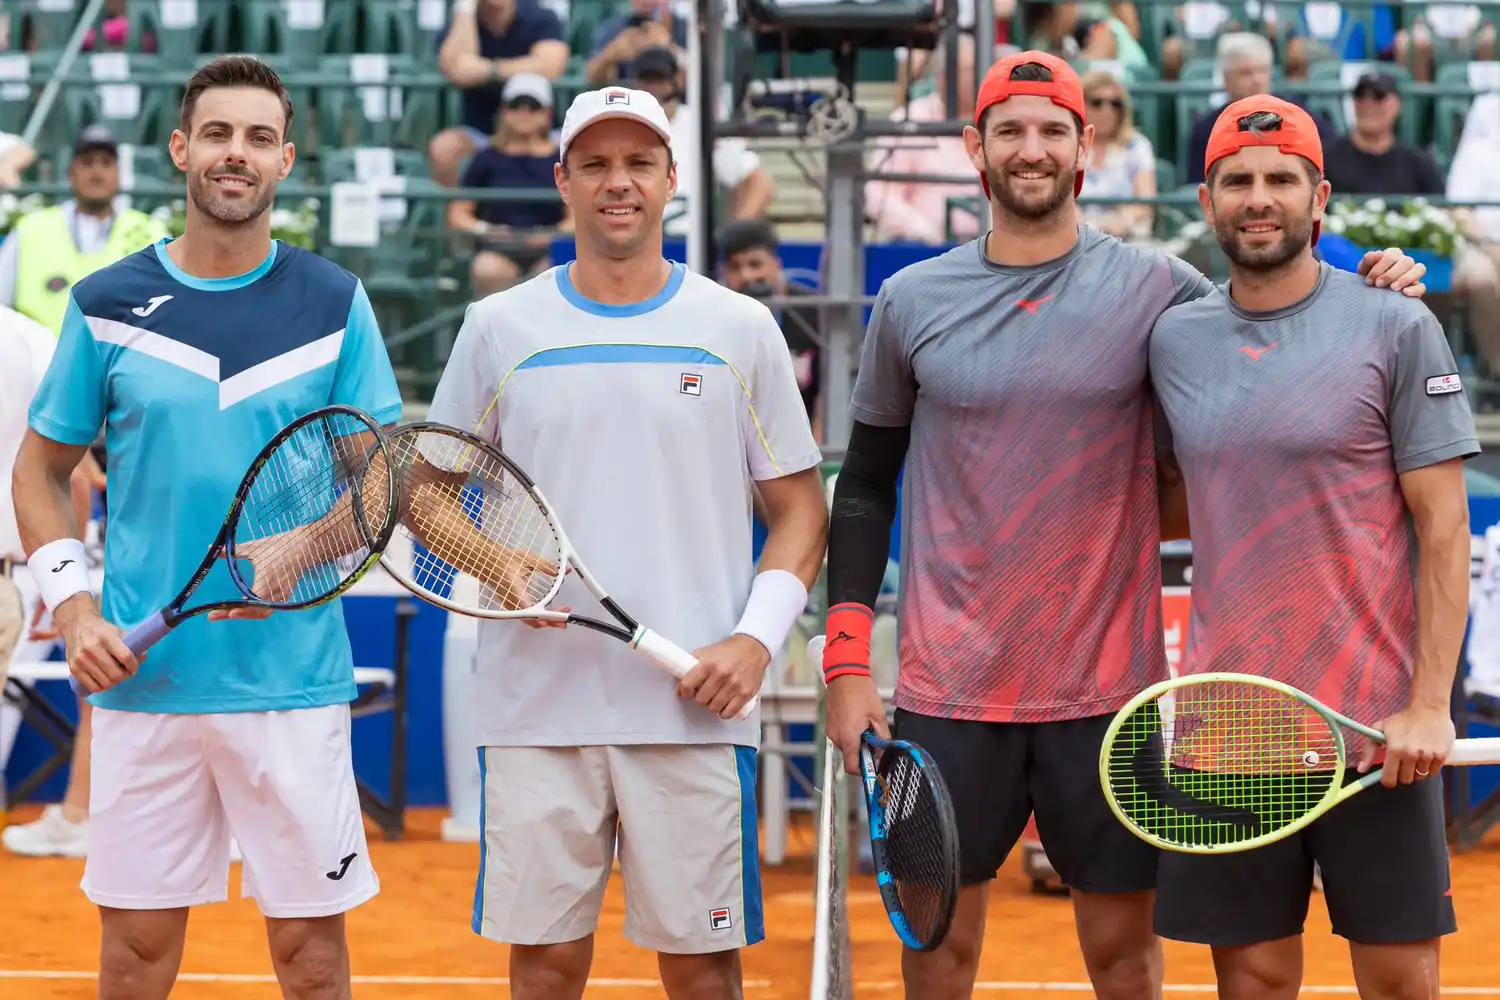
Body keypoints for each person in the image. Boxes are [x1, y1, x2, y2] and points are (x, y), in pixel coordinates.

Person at [819, 50, 1429, 1000]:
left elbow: (1279, 309)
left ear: (1086, 146)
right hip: (949, 691)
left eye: (1051, 130)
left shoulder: (1162, 292)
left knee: (1122, 960)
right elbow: (862, 484)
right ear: (975, 146)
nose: (1031, 150)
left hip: (1110, 698)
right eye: (1010, 131)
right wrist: (848, 664)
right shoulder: (910, 300)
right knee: (937, 956)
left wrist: (1371, 275)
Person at [421, 85, 828, 1000]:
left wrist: (754, 641)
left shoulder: (740, 327)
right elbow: (424, 492)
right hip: (536, 713)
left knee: (703, 975)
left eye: (639, 162)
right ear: (562, 180)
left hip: (692, 713)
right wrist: (494, 563)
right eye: (596, 164)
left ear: (671, 179)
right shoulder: (498, 327)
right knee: (546, 972)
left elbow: (801, 512)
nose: (619, 182)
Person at [9, 55, 401, 999]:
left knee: (311, 960)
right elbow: (40, 470)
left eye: (260, 138)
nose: (238, 153)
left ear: (286, 161)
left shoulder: (335, 301)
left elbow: (385, 477)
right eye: (218, 133)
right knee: (133, 958)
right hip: (146, 688)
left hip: (291, 685)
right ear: (182, 149)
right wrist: (74, 609)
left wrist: (303, 548)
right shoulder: (104, 303)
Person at [1148, 94, 1474, 1000]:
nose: (1259, 198)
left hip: (1375, 732)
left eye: (1281, 179)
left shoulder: (1396, 323)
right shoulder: (1172, 339)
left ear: (1319, 197)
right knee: (1252, 983)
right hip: (1229, 732)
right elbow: (1169, 501)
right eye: (1237, 181)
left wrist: (1429, 705)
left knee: (1402, 983)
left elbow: (1445, 529)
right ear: (1207, 201)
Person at [0, 124, 168, 333]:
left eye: (106, 163)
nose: (97, 172)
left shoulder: (151, 233)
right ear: (71, 173)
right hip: (43, 353)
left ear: (119, 174)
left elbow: (170, 313)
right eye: (87, 162)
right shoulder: (30, 230)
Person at [448, 72, 571, 297]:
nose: (524, 114)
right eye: (516, 106)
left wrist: (550, 235)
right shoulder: (486, 158)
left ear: (547, 113)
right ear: (503, 112)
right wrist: (487, 230)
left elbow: (575, 217)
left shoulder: (561, 159)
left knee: (553, 273)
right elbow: (459, 212)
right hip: (498, 247)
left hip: (547, 247)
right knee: (488, 270)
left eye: (533, 107)